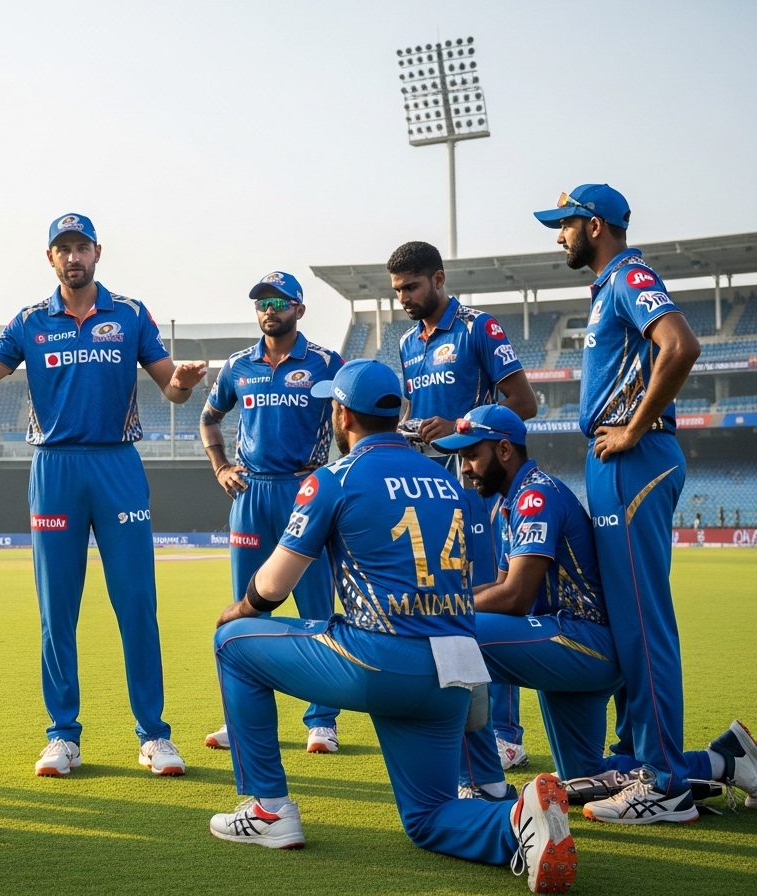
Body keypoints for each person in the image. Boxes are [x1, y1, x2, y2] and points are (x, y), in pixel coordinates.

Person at [208, 359, 577, 894]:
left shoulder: (335, 478)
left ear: (341, 413)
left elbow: (274, 585)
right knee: (428, 817)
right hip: (456, 671)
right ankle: (518, 819)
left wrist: (242, 608)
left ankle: (268, 810)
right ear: (397, 412)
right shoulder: (445, 478)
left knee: (233, 644)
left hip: (382, 662)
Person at [0, 214, 206, 777]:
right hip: (54, 469)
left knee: (136, 604)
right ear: (50, 258)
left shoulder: (129, 314)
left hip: (117, 466)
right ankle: (63, 736)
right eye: (63, 248)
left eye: (81, 246)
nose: (73, 256)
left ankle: (154, 735)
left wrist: (182, 380)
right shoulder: (31, 321)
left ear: (98, 252)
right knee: (57, 610)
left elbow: (171, 389)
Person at [534, 184, 701, 823]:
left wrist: (633, 428)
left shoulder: (630, 273)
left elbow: (680, 346)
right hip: (614, 462)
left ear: (594, 224)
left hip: (634, 457)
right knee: (624, 616)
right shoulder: (608, 287)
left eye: (566, 224)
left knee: (641, 622)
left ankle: (665, 785)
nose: (559, 236)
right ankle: (638, 761)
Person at [387, 240, 539, 771]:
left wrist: (456, 426)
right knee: (437, 599)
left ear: (439, 279)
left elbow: (525, 403)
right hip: (426, 490)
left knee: (483, 598)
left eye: (411, 287)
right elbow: (418, 413)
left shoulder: (479, 327)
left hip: (475, 485)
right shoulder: (407, 342)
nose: (404, 298)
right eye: (397, 290)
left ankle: (506, 731)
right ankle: (453, 719)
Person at [433, 405, 620, 799]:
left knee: (458, 636)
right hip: (572, 642)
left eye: (471, 455)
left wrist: (443, 609)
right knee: (586, 778)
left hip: (583, 640)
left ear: (504, 450)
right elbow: (498, 589)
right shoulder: (512, 502)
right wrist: (449, 599)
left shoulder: (534, 496)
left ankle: (484, 786)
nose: (465, 468)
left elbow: (515, 598)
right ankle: (721, 760)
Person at [199, 271, 343, 754]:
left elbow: (352, 415)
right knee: (246, 609)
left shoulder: (325, 362)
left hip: (306, 491)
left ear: (299, 309)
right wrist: (220, 465)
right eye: (261, 302)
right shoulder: (238, 365)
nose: (269, 309)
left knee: (315, 608)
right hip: (251, 495)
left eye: (279, 302)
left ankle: (323, 721)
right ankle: (241, 718)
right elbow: (209, 416)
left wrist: (337, 474)